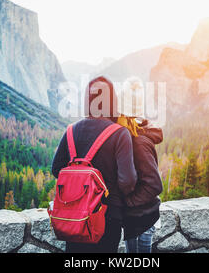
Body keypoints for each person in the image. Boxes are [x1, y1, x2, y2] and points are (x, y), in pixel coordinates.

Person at [51, 76, 137, 253]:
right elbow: (127, 182)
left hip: (74, 216)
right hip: (107, 217)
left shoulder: (70, 131)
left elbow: (56, 169)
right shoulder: (120, 134)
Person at [117, 77, 163, 253]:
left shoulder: (139, 143)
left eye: (118, 115)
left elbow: (154, 185)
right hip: (135, 218)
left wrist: (127, 202)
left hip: (142, 220)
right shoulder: (131, 138)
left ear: (125, 116)